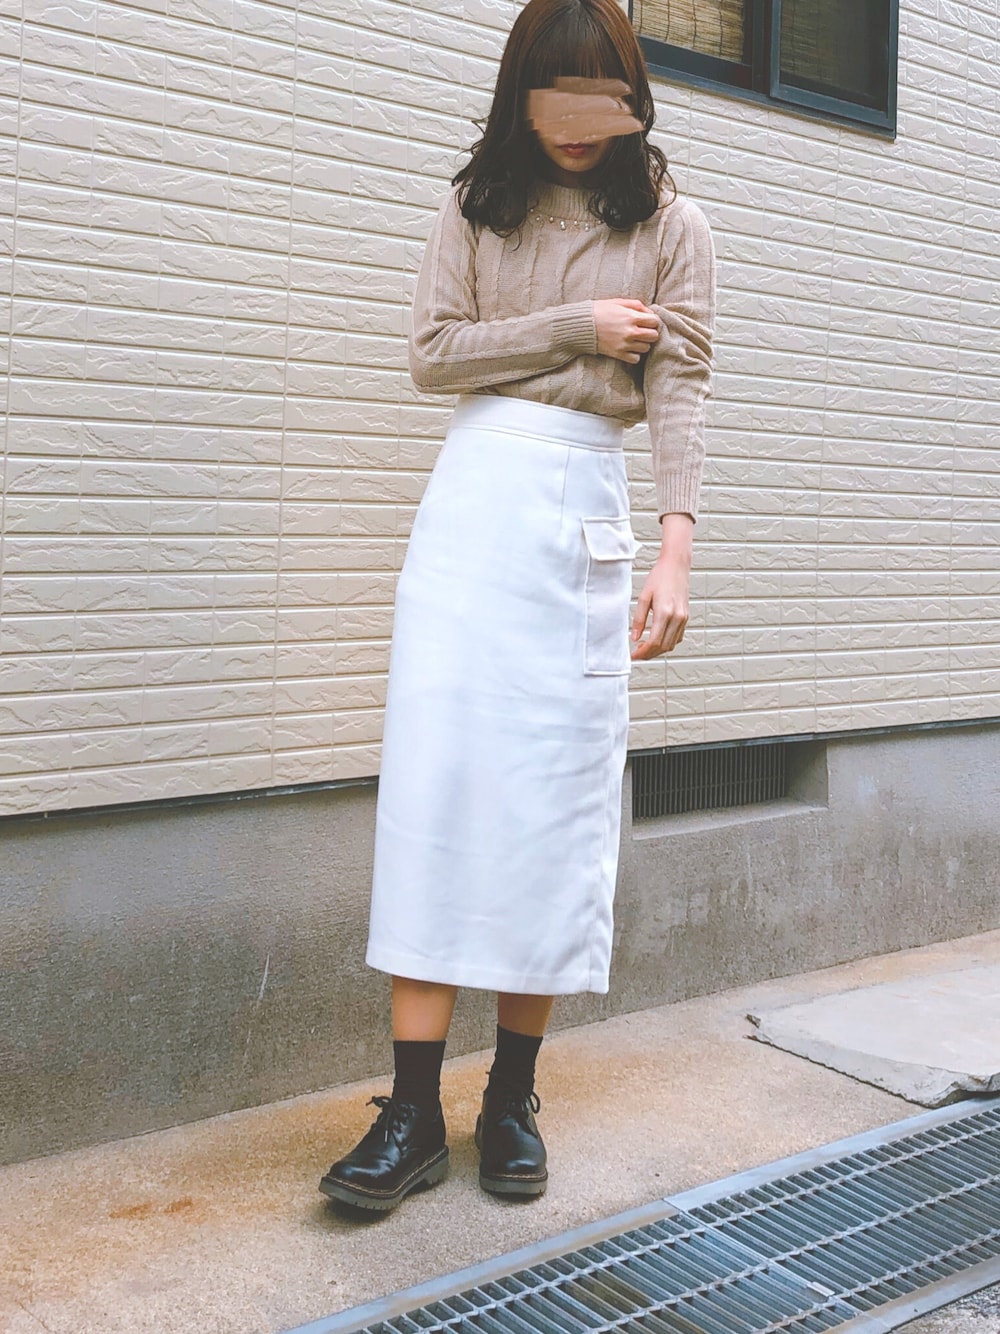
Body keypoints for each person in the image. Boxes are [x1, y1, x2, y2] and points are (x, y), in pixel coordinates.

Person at [320, 0, 715, 1212]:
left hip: (584, 513)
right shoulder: (474, 205)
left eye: (602, 97)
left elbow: (680, 384)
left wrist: (675, 551)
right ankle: (410, 1109)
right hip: (472, 509)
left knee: (551, 799)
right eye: (557, 98)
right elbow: (432, 354)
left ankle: (510, 1097)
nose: (579, 124)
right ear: (521, 97)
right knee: (435, 783)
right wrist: (575, 327)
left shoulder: (672, 224)